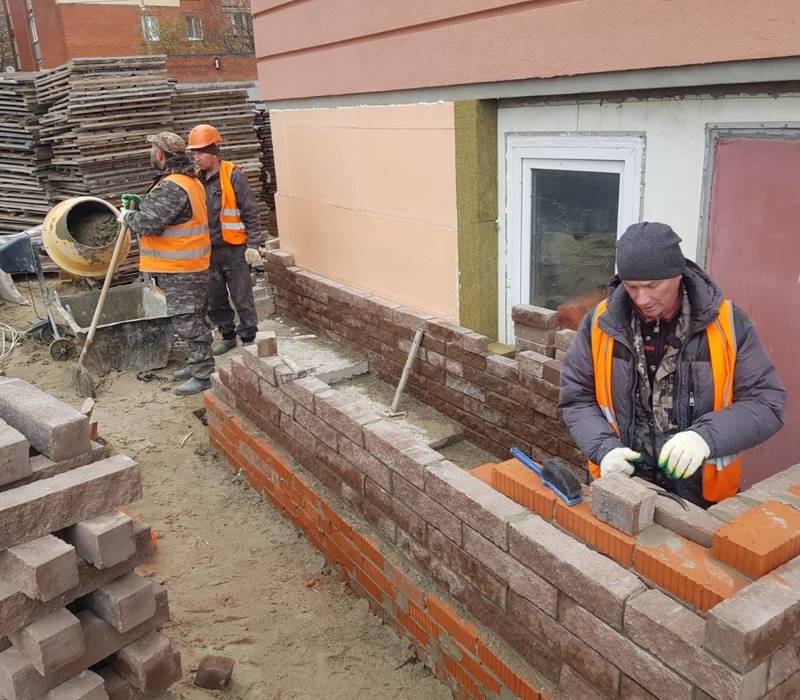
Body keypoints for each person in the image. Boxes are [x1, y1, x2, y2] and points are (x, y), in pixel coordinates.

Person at [559, 222, 785, 507]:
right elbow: (576, 398)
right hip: (624, 483)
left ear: (677, 275)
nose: (642, 299)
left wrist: (706, 438)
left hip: (700, 496)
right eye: (632, 287)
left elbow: (767, 402)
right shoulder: (601, 322)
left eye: (653, 286)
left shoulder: (726, 323)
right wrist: (604, 450)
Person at [119, 132, 214, 396]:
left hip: (182, 269)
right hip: (189, 266)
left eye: (152, 149)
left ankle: (203, 374)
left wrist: (128, 216)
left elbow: (150, 224)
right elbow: (169, 216)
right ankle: (197, 365)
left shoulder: (173, 186)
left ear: (160, 154)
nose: (151, 153)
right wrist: (143, 205)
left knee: (189, 322)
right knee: (194, 318)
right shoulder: (187, 181)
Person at [185, 124, 262, 356]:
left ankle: (249, 337)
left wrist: (254, 245)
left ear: (213, 152)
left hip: (234, 248)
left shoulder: (233, 175)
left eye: (200, 153)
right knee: (215, 296)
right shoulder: (195, 179)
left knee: (242, 295)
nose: (196, 158)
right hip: (208, 250)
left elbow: (250, 211)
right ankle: (227, 335)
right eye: (194, 154)